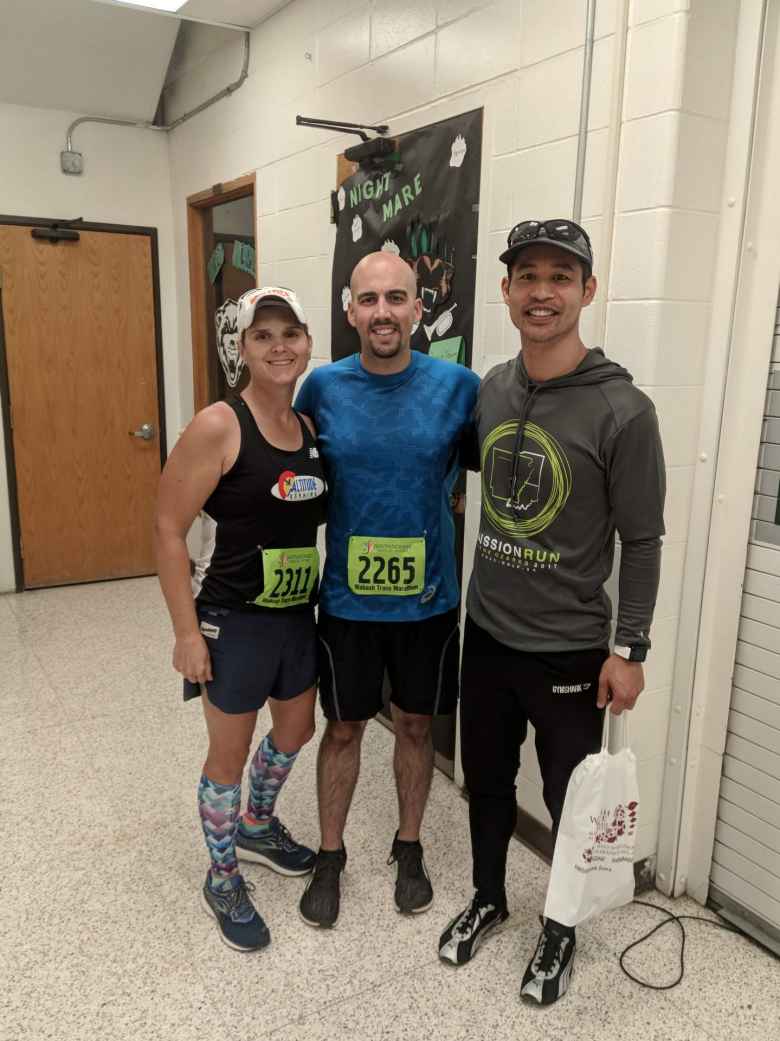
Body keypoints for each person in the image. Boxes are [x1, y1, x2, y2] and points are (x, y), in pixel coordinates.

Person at [438, 219, 665, 1005]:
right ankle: (489, 896)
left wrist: (629, 647)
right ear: (505, 291)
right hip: (490, 633)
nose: (542, 292)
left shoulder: (624, 411)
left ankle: (560, 930)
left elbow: (642, 539)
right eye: (527, 276)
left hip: (572, 649)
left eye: (559, 277)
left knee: (571, 802)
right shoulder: (494, 385)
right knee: (488, 782)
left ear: (587, 291)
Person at [294, 250, 479, 927]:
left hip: (429, 602)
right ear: (349, 310)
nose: (382, 312)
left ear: (417, 309)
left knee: (416, 723)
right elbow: (291, 478)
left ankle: (409, 844)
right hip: (346, 601)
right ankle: (330, 854)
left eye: (396, 298)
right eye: (369, 299)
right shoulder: (320, 388)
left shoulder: (459, 387)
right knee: (342, 727)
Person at [155, 286, 327, 952]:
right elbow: (168, 529)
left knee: (295, 728)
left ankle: (256, 825)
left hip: (294, 618)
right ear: (241, 348)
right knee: (227, 754)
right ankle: (221, 875)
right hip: (232, 618)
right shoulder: (219, 425)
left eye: (291, 332)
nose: (280, 346)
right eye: (263, 335)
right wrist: (187, 632)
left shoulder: (308, 429)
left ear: (308, 341)